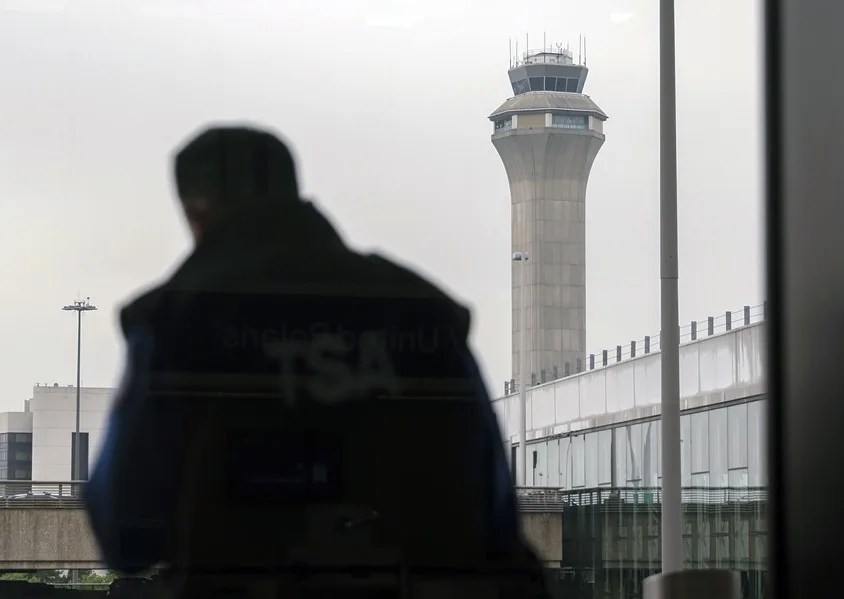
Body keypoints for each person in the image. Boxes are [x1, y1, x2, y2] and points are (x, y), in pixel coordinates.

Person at [85, 125, 548, 596]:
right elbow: (493, 518)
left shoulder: (176, 324)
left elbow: (126, 531)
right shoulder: (420, 316)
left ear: (195, 212)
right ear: (294, 197)